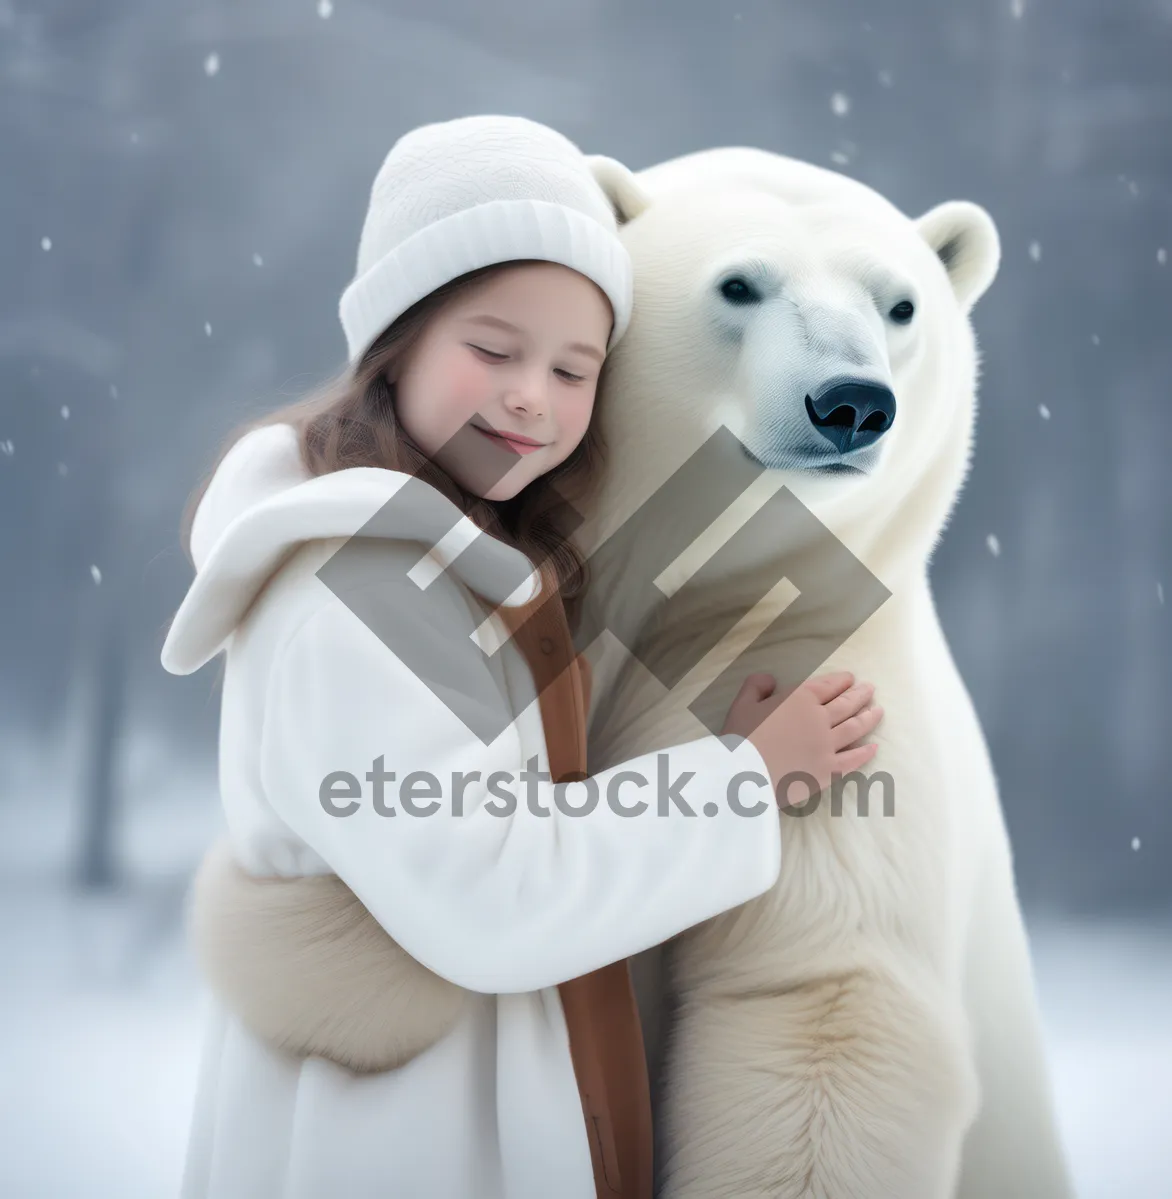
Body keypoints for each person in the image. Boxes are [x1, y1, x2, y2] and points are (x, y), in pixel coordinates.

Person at [160, 114, 883, 1199]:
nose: (533, 397)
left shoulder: (448, 565)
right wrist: (743, 782)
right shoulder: (349, 598)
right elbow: (494, 890)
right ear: (394, 343)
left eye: (575, 367)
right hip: (387, 1137)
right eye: (492, 349)